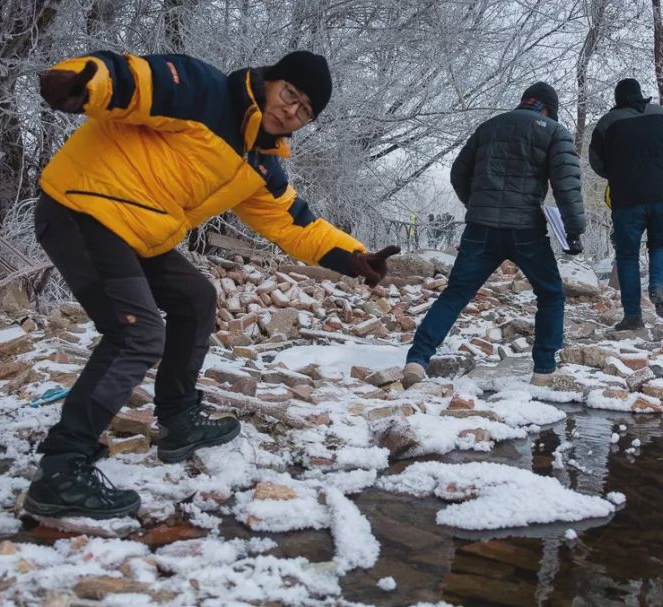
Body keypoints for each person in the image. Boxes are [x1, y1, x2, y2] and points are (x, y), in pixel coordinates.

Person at [26, 49, 399, 519]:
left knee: (196, 298)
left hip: (137, 233)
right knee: (137, 334)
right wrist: (86, 79)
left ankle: (179, 421)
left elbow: (296, 225)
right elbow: (136, 80)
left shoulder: (259, 165)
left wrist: (355, 257)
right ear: (269, 81)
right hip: (82, 208)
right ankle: (62, 468)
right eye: (289, 94)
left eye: (304, 111)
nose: (291, 111)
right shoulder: (205, 92)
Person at [403, 82, 586, 387]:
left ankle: (417, 359)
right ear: (548, 108)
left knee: (456, 294)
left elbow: (458, 173)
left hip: (480, 229)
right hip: (526, 230)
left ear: (525, 102)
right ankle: (544, 369)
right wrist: (574, 230)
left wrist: (476, 206)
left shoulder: (489, 127)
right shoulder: (554, 131)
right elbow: (567, 186)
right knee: (551, 293)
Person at [589, 78, 663, 330]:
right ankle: (657, 286)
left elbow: (597, 162)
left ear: (617, 98)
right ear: (641, 94)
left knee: (627, 256)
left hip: (627, 198)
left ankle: (633, 316)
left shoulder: (607, 123)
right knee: (662, 245)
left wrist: (619, 172)